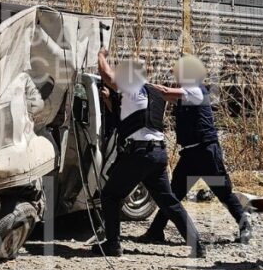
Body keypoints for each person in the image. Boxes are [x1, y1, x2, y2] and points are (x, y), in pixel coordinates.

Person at [94, 49, 206, 258]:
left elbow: (107, 75)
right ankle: (197, 244)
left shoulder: (131, 87)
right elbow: (131, 120)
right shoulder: (155, 93)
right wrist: (110, 101)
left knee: (111, 195)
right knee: (169, 201)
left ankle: (113, 245)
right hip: (157, 154)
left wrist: (101, 54)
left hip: (138, 154)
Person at [139, 54, 253, 245]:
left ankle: (245, 227)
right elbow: (168, 95)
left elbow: (166, 92)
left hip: (206, 152)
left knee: (223, 192)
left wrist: (144, 84)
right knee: (173, 194)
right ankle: (156, 231)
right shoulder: (188, 92)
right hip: (191, 154)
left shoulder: (194, 89)